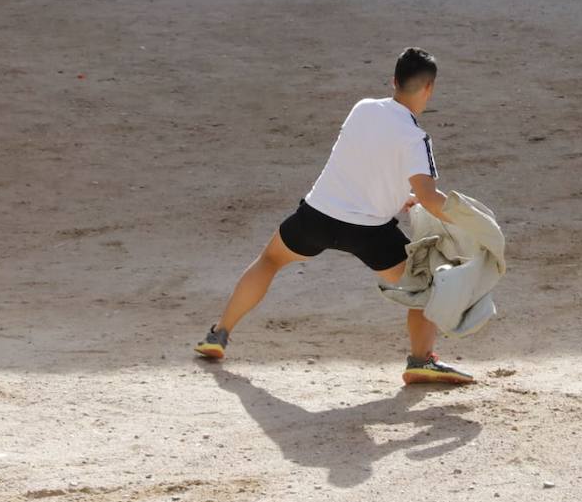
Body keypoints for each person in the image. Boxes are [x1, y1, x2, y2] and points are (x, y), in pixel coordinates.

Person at [194, 49, 473, 384]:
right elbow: (430, 198)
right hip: (370, 235)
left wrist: (401, 198)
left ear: (394, 81)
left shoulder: (363, 108)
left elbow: (364, 160)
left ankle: (218, 335)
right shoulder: (417, 138)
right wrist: (471, 222)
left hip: (317, 217)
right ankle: (420, 361)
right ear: (430, 89)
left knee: (269, 260)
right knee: (427, 286)